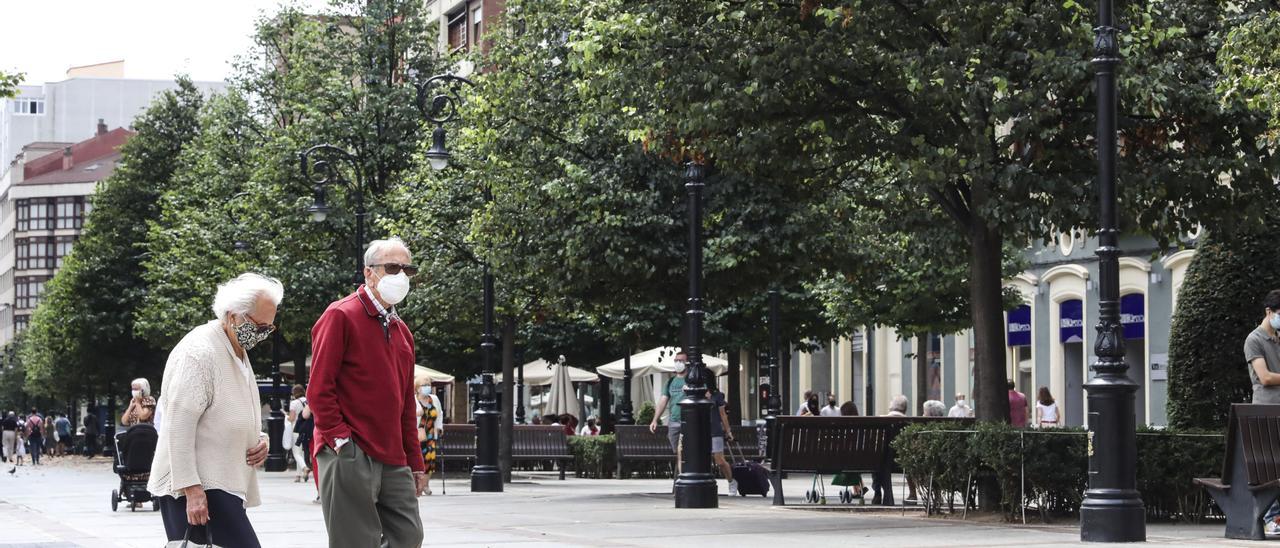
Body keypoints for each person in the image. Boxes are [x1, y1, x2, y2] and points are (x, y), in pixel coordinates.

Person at [148, 272, 282, 548]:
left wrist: (259, 438)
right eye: (259, 326)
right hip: (199, 486)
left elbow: (231, 408)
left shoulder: (235, 348)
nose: (261, 335)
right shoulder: (200, 352)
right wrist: (191, 489)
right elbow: (178, 424)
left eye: (268, 329)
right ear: (233, 315)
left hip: (221, 483)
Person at [308, 238, 427, 548]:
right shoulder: (340, 315)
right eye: (391, 267)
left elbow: (404, 406)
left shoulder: (402, 333)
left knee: (409, 536)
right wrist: (342, 442)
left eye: (406, 269)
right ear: (368, 273)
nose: (400, 275)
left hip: (392, 457)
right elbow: (319, 389)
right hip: (350, 452)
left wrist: (415, 463)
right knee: (355, 542)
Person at [1242, 290, 1280, 534]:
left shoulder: (1278, 338)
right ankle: (1273, 518)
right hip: (1266, 412)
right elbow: (1265, 377)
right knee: (1271, 468)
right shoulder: (1254, 340)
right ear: (1269, 312)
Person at [649, 351, 689, 475]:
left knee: (681, 450)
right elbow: (663, 401)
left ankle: (684, 478)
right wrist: (655, 419)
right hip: (674, 421)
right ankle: (682, 477)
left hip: (689, 421)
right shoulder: (670, 382)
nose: (678, 363)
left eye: (681, 361)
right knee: (677, 451)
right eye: (676, 360)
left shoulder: (692, 379)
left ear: (687, 363)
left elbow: (707, 395)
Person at [872, 395, 909, 505]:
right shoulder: (908, 422)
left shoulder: (882, 420)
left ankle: (877, 492)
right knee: (881, 462)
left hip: (883, 461)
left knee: (878, 463)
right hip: (903, 461)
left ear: (891, 407)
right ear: (905, 408)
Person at [414, 376, 443, 496]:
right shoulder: (413, 399)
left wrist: (440, 427)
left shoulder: (434, 399)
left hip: (431, 434)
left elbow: (439, 413)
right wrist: (417, 413)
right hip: (417, 434)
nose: (427, 388)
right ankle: (417, 485)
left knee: (429, 460)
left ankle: (426, 485)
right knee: (417, 459)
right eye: (424, 385)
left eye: (428, 385)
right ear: (417, 388)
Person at [708, 386, 737, 496]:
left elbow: (723, 414)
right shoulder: (696, 393)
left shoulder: (717, 395)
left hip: (715, 430)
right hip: (701, 432)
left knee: (719, 460)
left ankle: (731, 481)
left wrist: (728, 431)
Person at [287, 385, 312, 483]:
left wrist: (286, 417)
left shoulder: (294, 403)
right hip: (307, 429)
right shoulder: (307, 401)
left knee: (296, 453)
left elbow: (292, 418)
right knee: (301, 452)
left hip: (296, 429)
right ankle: (298, 475)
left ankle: (305, 468)